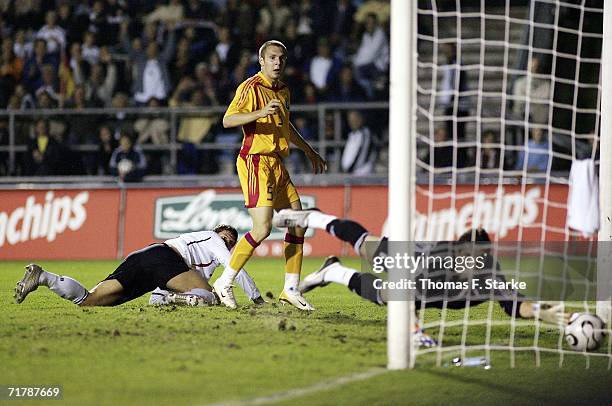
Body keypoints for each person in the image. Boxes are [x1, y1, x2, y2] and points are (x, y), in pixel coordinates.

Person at [272, 209, 569, 326]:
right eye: (467, 256)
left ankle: (333, 272)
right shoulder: (438, 261)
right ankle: (312, 218)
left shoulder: (490, 275)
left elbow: (515, 306)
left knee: (384, 296)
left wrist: (547, 313)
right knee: (365, 246)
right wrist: (414, 328)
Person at [213, 40, 327, 311]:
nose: (277, 63)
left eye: (282, 59)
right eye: (272, 58)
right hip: (255, 162)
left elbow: (285, 127)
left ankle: (290, 289)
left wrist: (309, 150)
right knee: (263, 228)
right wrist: (259, 113)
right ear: (262, 61)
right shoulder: (250, 87)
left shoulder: (284, 91)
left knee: (298, 223)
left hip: (277, 162)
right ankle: (224, 282)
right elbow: (228, 120)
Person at [15, 225, 264, 308]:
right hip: (164, 256)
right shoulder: (211, 238)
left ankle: (43, 277)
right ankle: (168, 298)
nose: (226, 242)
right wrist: (256, 298)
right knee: (210, 296)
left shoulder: (203, 258)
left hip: (144, 257)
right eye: (225, 237)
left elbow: (190, 278)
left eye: (230, 242)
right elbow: (236, 268)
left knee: (89, 301)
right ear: (216, 232)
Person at [341, 110, 378, 175]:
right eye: (350, 120)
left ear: (361, 118)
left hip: (362, 174)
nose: (353, 122)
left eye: (355, 119)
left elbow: (362, 154)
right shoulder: (352, 134)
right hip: (351, 174)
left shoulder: (366, 134)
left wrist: (349, 170)